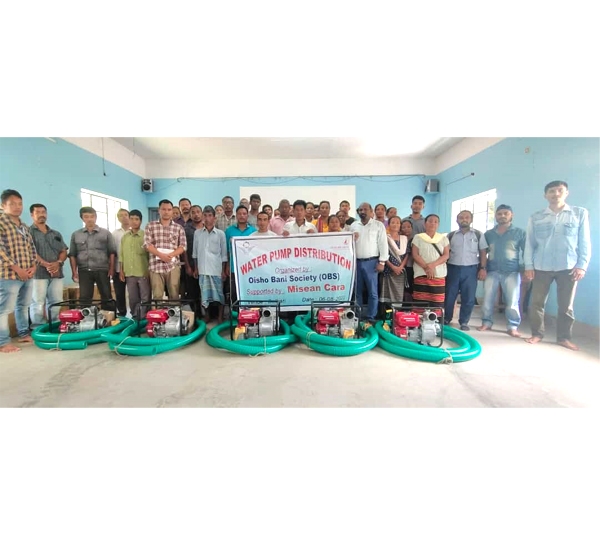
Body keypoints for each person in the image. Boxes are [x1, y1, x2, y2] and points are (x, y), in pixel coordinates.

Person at [523, 181, 591, 351]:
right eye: (551, 191)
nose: (556, 194)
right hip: (541, 266)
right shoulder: (536, 217)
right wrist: (528, 265)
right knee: (536, 303)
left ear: (566, 193)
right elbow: (529, 243)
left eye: (560, 190)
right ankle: (537, 334)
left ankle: (563, 338)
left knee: (566, 306)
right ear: (545, 195)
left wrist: (582, 265)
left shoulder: (579, 213)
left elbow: (585, 241)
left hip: (568, 267)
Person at [477, 204, 526, 337]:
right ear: (496, 216)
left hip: (512, 271)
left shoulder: (519, 233)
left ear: (511, 215)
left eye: (506, 213)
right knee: (488, 299)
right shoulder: (489, 234)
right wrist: (483, 268)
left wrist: (526, 268)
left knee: (512, 301)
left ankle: (512, 326)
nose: (502, 216)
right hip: (492, 271)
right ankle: (486, 322)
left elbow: (526, 251)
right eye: (499, 214)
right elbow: (483, 253)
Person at [0, 189, 37, 353]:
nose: (17, 207)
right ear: (3, 205)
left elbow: (32, 248)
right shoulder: (1, 223)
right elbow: (1, 251)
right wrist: (17, 268)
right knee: (4, 310)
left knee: (23, 306)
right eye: (12, 204)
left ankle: (23, 334)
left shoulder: (24, 226)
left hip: (27, 274)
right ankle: (3, 342)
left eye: (20, 203)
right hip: (9, 275)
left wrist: (33, 266)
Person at [444, 210, 488, 330]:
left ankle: (464, 321)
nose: (464, 219)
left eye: (467, 217)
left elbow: (483, 252)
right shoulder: (451, 235)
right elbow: (445, 252)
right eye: (461, 217)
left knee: (468, 297)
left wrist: (483, 268)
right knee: (449, 296)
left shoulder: (478, 235)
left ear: (471, 219)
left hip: (471, 269)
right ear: (457, 220)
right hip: (452, 268)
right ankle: (446, 318)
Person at [69, 206, 117, 310]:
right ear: (82, 218)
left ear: (96, 217)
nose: (89, 219)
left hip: (102, 269)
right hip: (84, 270)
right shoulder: (76, 235)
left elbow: (112, 252)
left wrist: (111, 268)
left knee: (106, 296)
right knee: (84, 298)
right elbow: (72, 254)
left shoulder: (105, 233)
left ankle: (109, 317)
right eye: (86, 217)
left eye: (92, 216)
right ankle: (86, 317)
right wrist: (74, 271)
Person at [29, 203, 68, 328]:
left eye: (43, 212)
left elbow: (63, 251)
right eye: (38, 212)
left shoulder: (55, 233)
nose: (41, 215)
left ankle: (54, 324)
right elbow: (30, 252)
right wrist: (46, 264)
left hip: (57, 274)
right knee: (38, 302)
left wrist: (58, 263)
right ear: (32, 215)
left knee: (56, 301)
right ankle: (38, 327)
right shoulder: (28, 232)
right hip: (38, 274)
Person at [350, 203, 389, 323]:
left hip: (372, 262)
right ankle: (357, 316)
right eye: (360, 210)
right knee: (357, 292)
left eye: (365, 209)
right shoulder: (354, 225)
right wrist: (352, 238)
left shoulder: (378, 225)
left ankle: (371, 317)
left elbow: (383, 243)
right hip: (356, 262)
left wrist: (382, 262)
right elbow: (347, 243)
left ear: (371, 211)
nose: (362, 211)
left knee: (372, 292)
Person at [143, 199, 186, 301]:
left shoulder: (178, 228)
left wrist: (170, 255)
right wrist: (161, 255)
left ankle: (174, 312)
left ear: (172, 211)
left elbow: (183, 246)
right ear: (159, 210)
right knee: (157, 296)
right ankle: (158, 312)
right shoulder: (150, 226)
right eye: (164, 209)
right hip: (155, 266)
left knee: (174, 295)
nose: (166, 212)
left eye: (169, 209)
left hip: (173, 265)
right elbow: (147, 245)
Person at [193, 206, 228, 324]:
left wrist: (223, 270)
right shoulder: (197, 233)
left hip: (216, 269)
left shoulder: (220, 234)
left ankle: (220, 317)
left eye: (210, 216)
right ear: (203, 217)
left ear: (214, 218)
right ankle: (207, 316)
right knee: (204, 295)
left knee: (219, 295)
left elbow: (224, 254)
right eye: (205, 215)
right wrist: (196, 269)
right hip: (202, 269)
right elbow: (195, 253)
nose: (207, 218)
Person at [410, 215, 450, 309]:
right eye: (430, 221)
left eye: (435, 222)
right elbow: (415, 254)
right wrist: (426, 267)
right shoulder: (418, 237)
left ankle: (436, 318)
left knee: (437, 301)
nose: (432, 223)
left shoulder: (443, 238)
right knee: (420, 300)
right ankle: (420, 318)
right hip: (421, 273)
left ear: (438, 224)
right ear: (425, 223)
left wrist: (432, 265)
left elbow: (446, 255)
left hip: (438, 274)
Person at [119, 210, 150, 320]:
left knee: (145, 296)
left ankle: (145, 317)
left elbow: (150, 255)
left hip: (143, 272)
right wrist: (121, 270)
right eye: (131, 219)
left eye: (136, 219)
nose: (134, 221)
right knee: (132, 297)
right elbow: (122, 255)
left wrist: (149, 271)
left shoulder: (145, 236)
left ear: (140, 221)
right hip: (129, 272)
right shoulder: (125, 237)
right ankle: (135, 316)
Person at [225, 206, 257, 305]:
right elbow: (227, 250)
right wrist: (227, 265)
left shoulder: (253, 231)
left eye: (244, 214)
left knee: (249, 292)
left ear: (247, 215)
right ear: (236, 215)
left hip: (250, 268)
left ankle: (249, 312)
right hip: (234, 268)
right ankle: (235, 313)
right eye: (239, 214)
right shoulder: (229, 231)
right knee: (234, 293)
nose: (242, 216)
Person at [379, 216, 410, 308]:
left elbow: (407, 254)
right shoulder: (384, 238)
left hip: (400, 272)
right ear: (389, 225)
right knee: (386, 295)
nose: (395, 224)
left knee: (398, 295)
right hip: (388, 271)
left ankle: (396, 313)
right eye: (393, 222)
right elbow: (382, 253)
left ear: (400, 225)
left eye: (397, 222)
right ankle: (386, 313)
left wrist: (400, 267)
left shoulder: (404, 238)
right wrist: (393, 267)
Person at [183, 205, 204, 315]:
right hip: (191, 265)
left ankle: (209, 314)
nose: (196, 214)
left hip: (206, 265)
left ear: (202, 213)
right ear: (190, 215)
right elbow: (184, 249)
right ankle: (196, 314)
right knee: (192, 291)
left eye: (198, 212)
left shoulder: (207, 228)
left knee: (205, 291)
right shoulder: (186, 230)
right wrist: (187, 266)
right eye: (193, 212)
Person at [111, 208, 130, 317]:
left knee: (134, 294)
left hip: (133, 268)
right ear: (118, 218)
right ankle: (122, 313)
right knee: (119, 293)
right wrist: (112, 267)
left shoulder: (137, 231)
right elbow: (112, 251)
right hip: (118, 268)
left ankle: (136, 313)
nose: (124, 217)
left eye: (125, 215)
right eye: (121, 215)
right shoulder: (114, 234)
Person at [401, 220, 415, 301]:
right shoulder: (399, 239)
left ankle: (409, 305)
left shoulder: (416, 239)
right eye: (404, 227)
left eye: (409, 227)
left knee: (410, 288)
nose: (406, 229)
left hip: (413, 267)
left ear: (412, 228)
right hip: (402, 267)